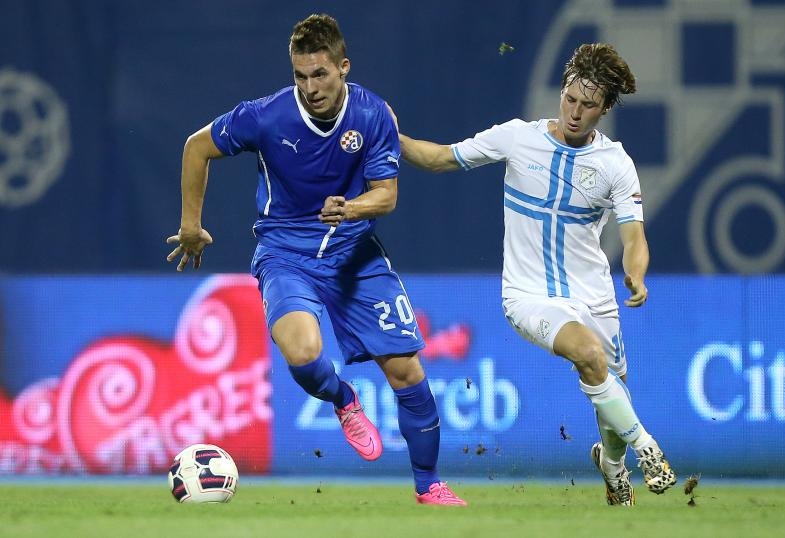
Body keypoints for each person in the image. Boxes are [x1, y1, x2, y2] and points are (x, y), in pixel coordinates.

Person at [165, 13, 466, 506]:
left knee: (407, 370)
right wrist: (191, 226)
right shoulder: (265, 117)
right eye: (300, 76)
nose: (309, 87)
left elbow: (386, 195)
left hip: (355, 253)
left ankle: (429, 484)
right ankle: (344, 400)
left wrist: (352, 209)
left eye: (320, 74)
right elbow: (196, 147)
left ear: (343, 67)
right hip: (285, 253)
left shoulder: (373, 116)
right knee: (303, 354)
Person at [397, 43, 676, 506]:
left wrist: (637, 276)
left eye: (588, 106)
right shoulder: (517, 137)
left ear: (604, 109)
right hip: (527, 295)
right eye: (570, 99)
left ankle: (612, 465)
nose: (575, 112)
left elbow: (634, 239)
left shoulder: (615, 165)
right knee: (588, 356)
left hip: (595, 297)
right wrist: (389, 134)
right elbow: (440, 157)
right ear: (562, 91)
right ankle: (649, 449)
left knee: (611, 399)